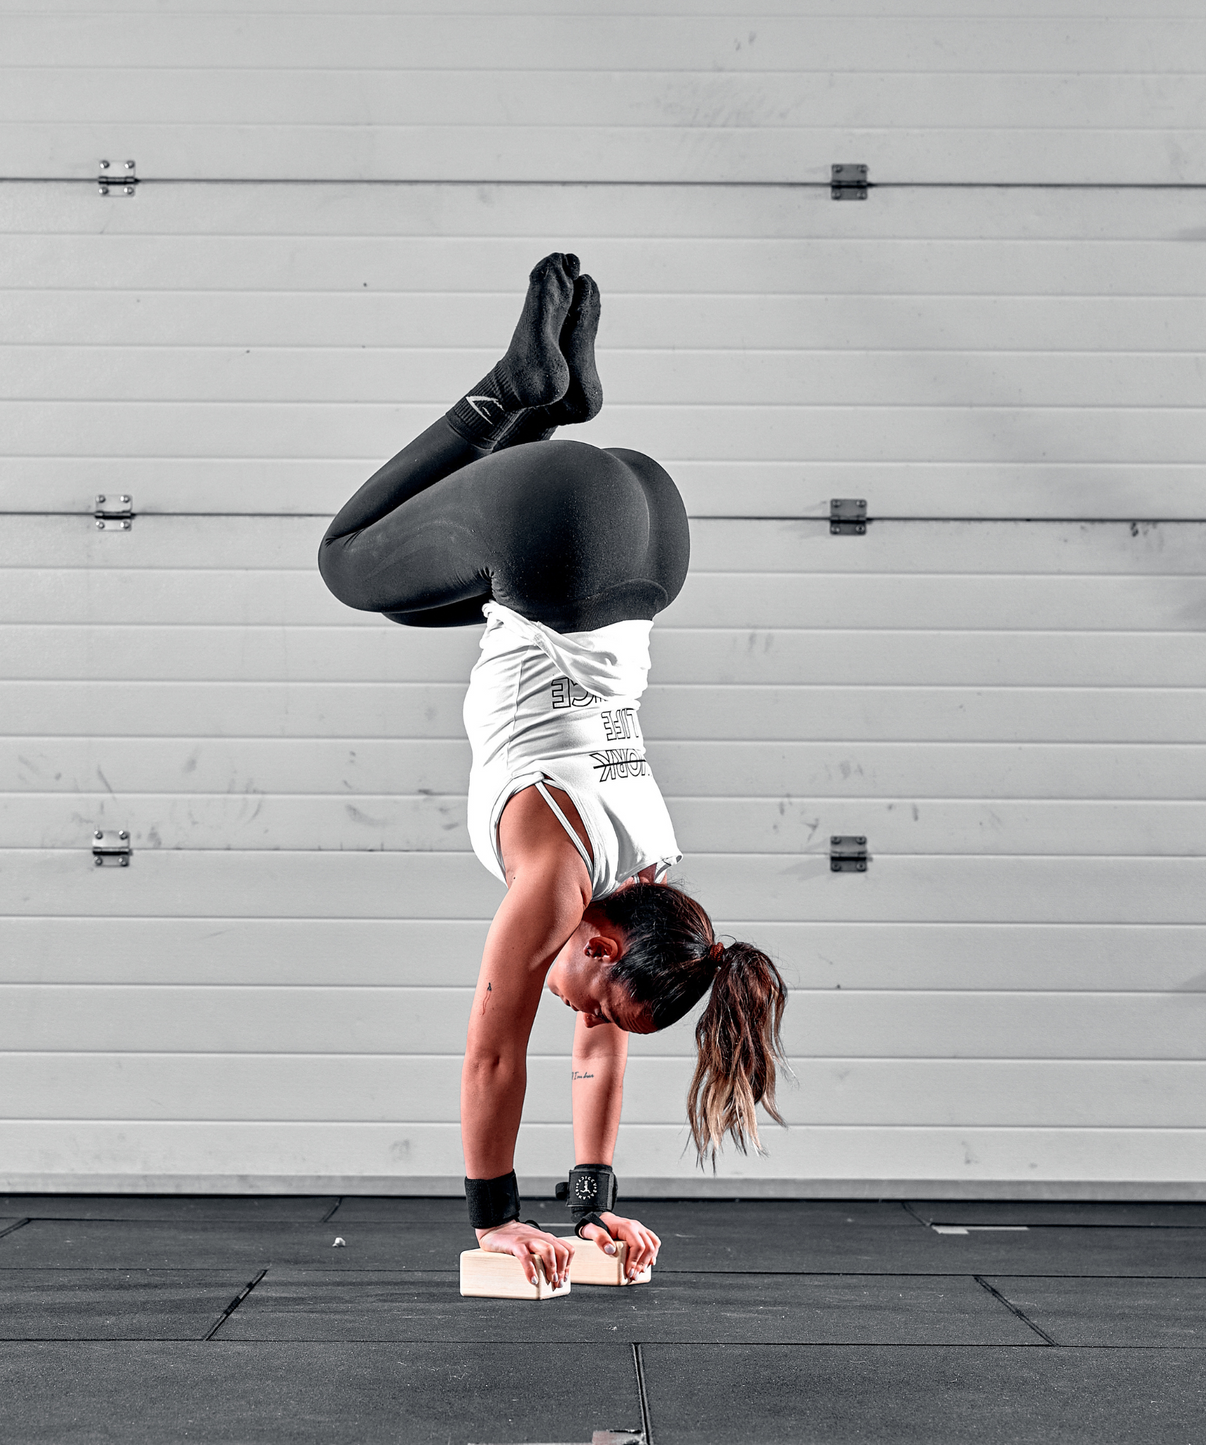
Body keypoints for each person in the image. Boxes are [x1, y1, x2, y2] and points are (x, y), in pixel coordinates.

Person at [319, 253, 788, 1291]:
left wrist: (591, 1201)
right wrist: (496, 1219)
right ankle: (512, 391)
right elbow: (493, 1053)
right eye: (597, 994)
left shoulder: (653, 879)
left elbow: (598, 1037)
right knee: (349, 560)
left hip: (642, 549)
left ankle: (557, 397)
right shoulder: (557, 884)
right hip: (560, 534)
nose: (584, 1014)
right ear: (605, 936)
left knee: (410, 598)